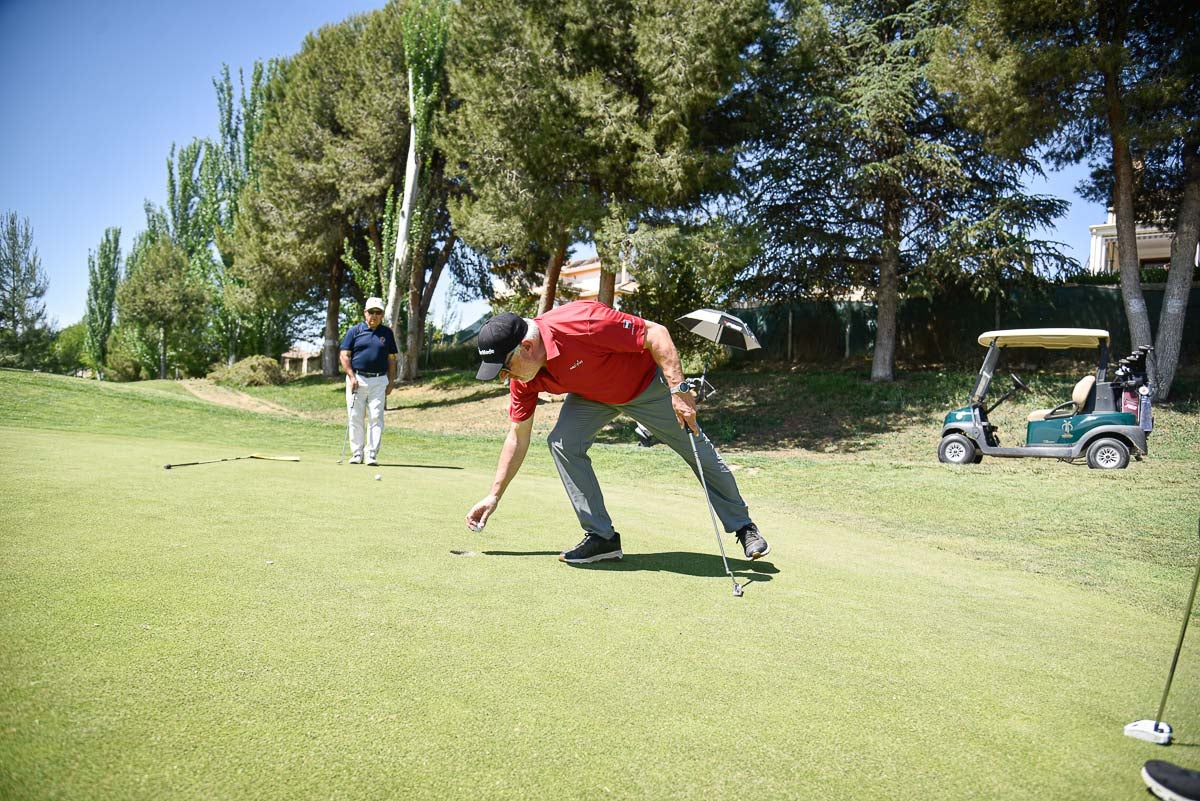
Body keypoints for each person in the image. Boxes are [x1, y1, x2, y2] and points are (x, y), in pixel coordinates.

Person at [464, 300, 770, 564]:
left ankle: (744, 527)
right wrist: (494, 495)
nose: (506, 378)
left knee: (694, 446)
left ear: (527, 347)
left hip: (644, 385)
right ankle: (602, 538)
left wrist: (678, 390)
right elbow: (518, 436)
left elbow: (656, 333)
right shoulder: (524, 378)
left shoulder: (581, 322)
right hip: (593, 396)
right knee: (562, 442)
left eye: (505, 368)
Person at [338, 297, 398, 466]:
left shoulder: (387, 333)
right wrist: (351, 376)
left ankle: (371, 454)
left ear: (382, 315)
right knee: (355, 417)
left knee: (376, 417)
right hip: (357, 379)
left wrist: (391, 381)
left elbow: (392, 359)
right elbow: (344, 355)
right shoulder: (354, 331)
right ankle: (357, 454)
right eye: (371, 312)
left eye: (378, 313)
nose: (374, 315)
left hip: (379, 380)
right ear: (365, 313)